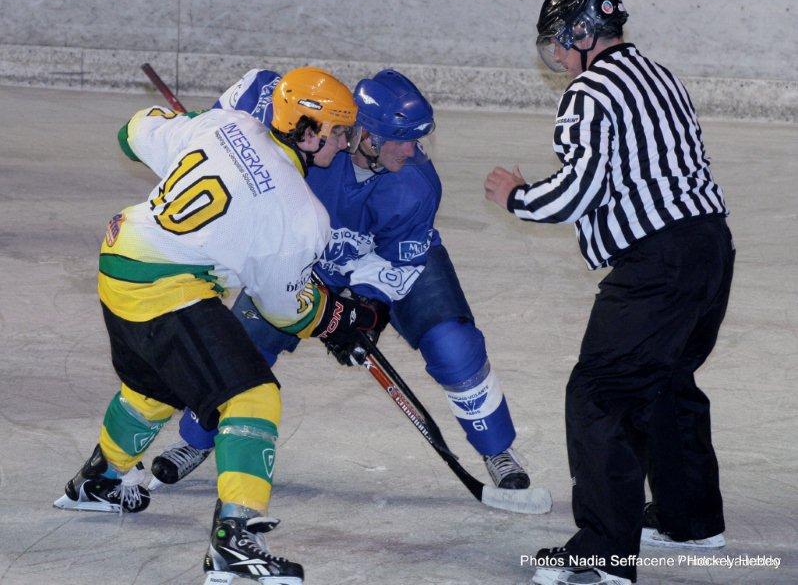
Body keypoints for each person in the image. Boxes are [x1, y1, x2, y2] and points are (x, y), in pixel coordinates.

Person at [53, 67, 386, 585]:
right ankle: (235, 539)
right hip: (164, 286)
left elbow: (131, 132)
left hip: (119, 260)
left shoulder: (227, 124)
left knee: (154, 386)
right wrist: (339, 319)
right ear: (308, 131)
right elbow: (285, 309)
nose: (345, 144)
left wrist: (192, 125)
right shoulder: (301, 213)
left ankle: (97, 481)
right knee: (253, 397)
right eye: (339, 132)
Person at [149, 67, 536, 495]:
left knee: (453, 345)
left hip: (391, 258)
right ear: (364, 135)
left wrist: (359, 315)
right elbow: (255, 94)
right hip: (306, 260)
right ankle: (196, 437)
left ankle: (497, 449)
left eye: (416, 138)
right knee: (244, 343)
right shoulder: (316, 141)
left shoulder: (416, 185)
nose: (413, 149)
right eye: (401, 138)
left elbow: (396, 263)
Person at [484, 0, 734, 583]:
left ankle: (602, 556)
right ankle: (690, 519)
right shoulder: (658, 74)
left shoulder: (589, 92)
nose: (558, 57)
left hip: (657, 265)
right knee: (667, 381)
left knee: (601, 395)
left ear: (581, 32)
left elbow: (580, 189)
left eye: (559, 42)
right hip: (710, 250)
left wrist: (516, 196)